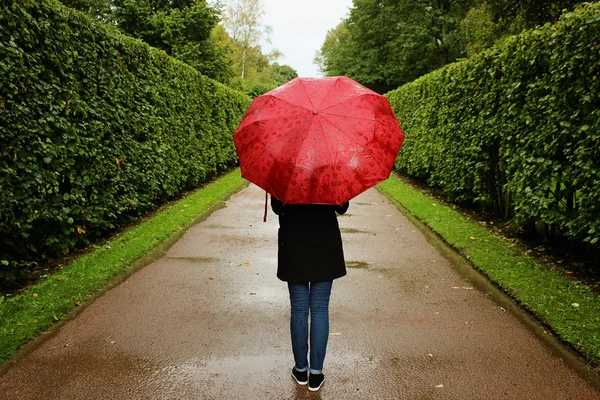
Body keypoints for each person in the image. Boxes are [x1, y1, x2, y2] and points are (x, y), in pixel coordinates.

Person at [271, 195, 349, 392]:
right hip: (325, 244)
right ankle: (315, 374)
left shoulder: (286, 171)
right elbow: (342, 207)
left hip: (294, 243)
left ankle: (300, 370)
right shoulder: (332, 170)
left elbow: (276, 207)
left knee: (298, 309)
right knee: (320, 309)